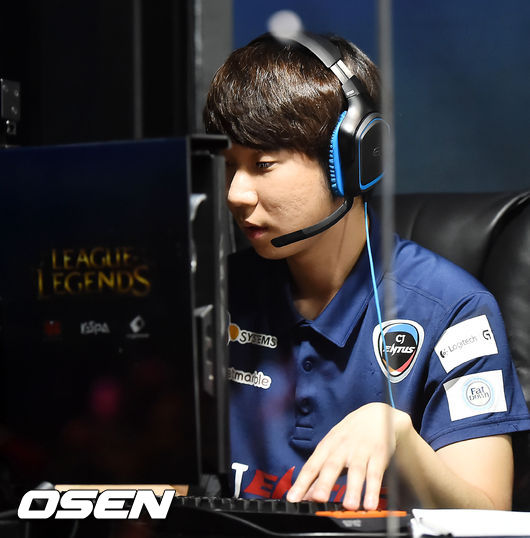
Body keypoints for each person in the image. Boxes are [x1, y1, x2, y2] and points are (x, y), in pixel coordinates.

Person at [203, 31, 530, 511]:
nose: (235, 193)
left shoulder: (454, 311)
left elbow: (490, 520)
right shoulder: (213, 295)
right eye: (230, 165)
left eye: (263, 163)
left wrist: (399, 436)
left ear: (352, 158)